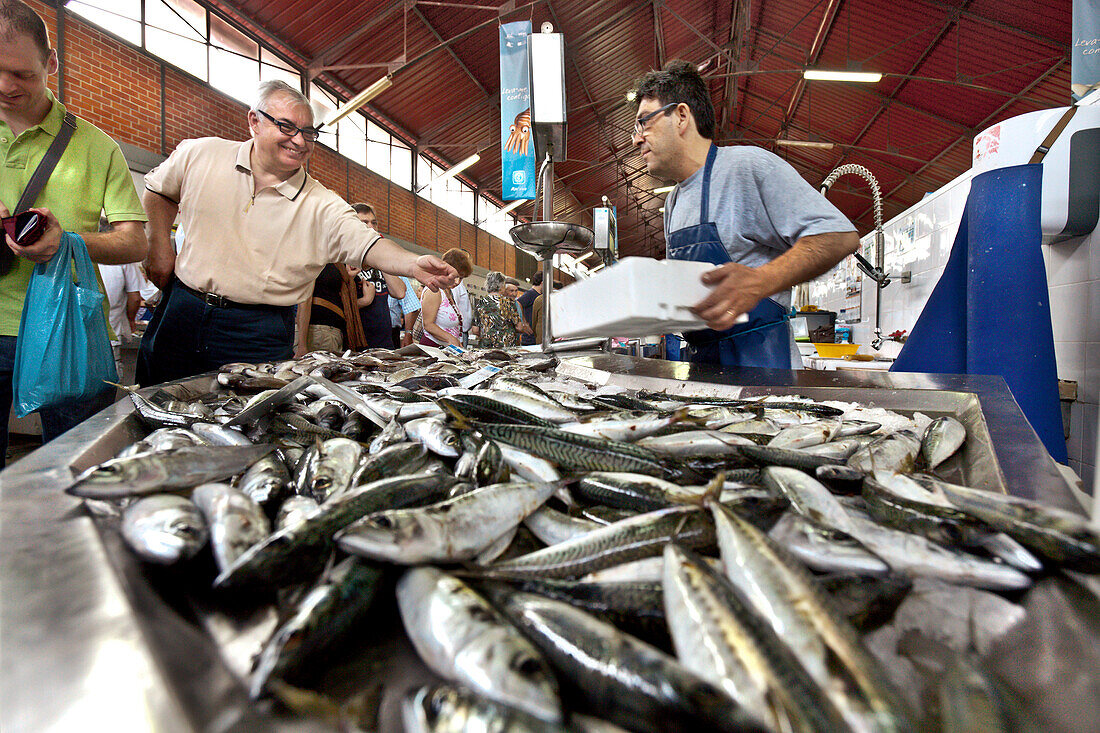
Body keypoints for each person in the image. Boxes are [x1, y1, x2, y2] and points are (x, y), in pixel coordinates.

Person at [139, 81, 455, 384]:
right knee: (156, 403)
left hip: (256, 330)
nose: (299, 141)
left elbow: (368, 244)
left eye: (308, 132)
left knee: (247, 422)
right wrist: (158, 245)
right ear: (255, 121)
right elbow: (159, 191)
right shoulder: (201, 155)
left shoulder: (320, 204)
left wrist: (414, 264)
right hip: (181, 309)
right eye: (286, 126)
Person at [630, 60, 859, 368]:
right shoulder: (673, 202)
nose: (636, 138)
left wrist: (760, 281)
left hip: (764, 367)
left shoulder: (747, 167)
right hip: (703, 367)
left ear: (681, 116)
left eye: (645, 122)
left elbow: (839, 237)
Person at [0, 0, 148, 465]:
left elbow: (135, 241)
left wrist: (69, 244)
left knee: (74, 469)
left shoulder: (96, 145)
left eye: (22, 74)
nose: (6, 86)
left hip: (69, 332)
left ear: (52, 64)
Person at [419, 249, 472, 348]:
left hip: (445, 348)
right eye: (455, 276)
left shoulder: (448, 291)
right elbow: (428, 324)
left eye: (461, 278)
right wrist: (450, 338)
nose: (457, 282)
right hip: (433, 348)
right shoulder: (434, 291)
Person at [473, 271, 530, 348]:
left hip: (487, 348)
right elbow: (519, 327)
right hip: (506, 347)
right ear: (502, 286)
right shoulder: (509, 303)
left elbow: (475, 330)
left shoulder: (480, 303)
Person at [516, 270, 543, 346]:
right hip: (529, 339)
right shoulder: (530, 293)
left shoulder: (540, 295)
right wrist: (524, 323)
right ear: (542, 283)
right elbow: (518, 303)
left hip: (536, 337)